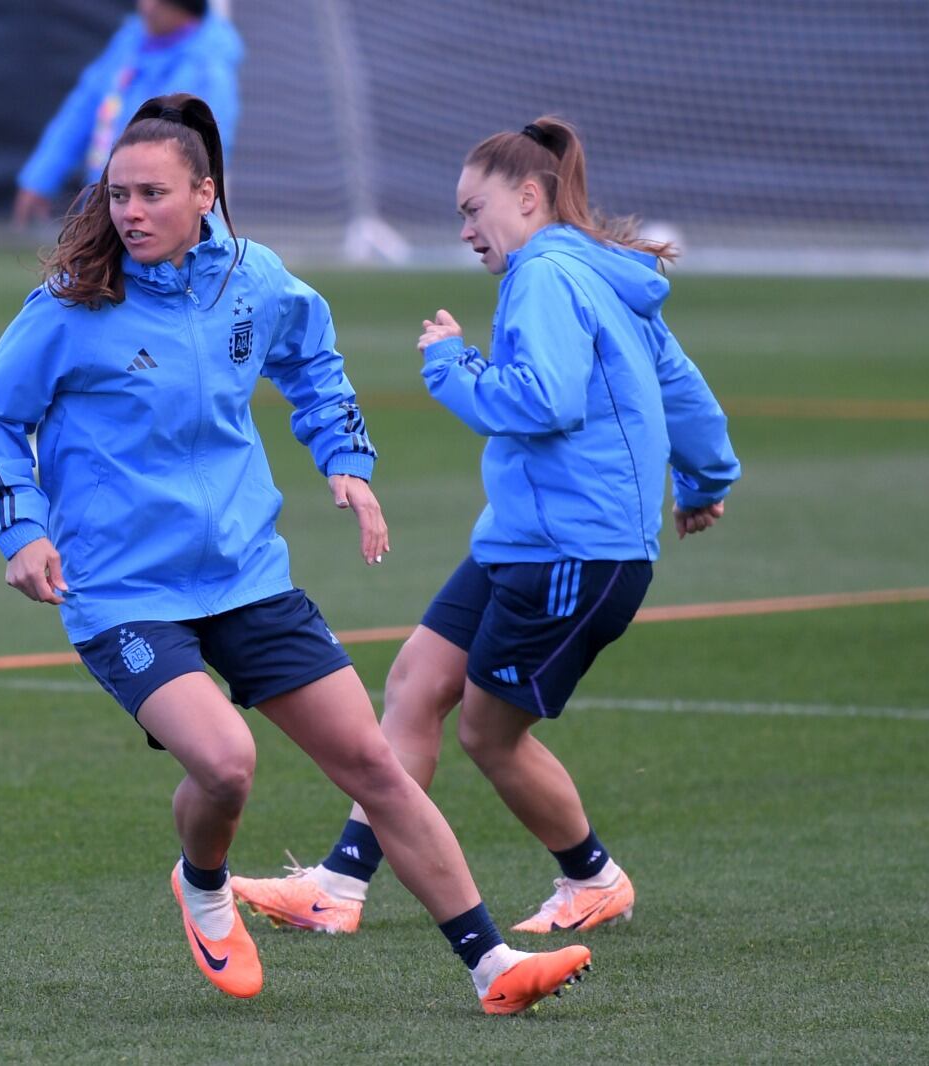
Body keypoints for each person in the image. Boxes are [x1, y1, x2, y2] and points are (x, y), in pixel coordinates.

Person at [0, 94, 592, 1014]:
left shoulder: (252, 280)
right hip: (125, 591)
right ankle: (204, 886)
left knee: (376, 767)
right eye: (118, 194)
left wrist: (346, 462)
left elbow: (312, 359)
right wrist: (20, 530)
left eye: (152, 194)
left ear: (204, 194)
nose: (130, 212)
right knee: (225, 763)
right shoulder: (70, 306)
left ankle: (494, 967)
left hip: (247, 575)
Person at [232, 115, 741, 938]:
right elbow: (678, 384)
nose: (465, 230)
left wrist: (451, 364)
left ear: (531, 198)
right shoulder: (600, 272)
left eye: (474, 210)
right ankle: (340, 884)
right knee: (415, 682)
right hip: (526, 539)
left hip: (579, 548)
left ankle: (594, 878)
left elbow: (544, 401)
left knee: (488, 734)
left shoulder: (545, 274)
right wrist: (705, 479)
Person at [11, 0, 243, 229]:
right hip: (104, 210)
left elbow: (208, 152)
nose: (146, 7)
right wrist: (41, 177)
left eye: (158, 2)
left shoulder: (208, 69)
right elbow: (81, 110)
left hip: (163, 223)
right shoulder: (128, 43)